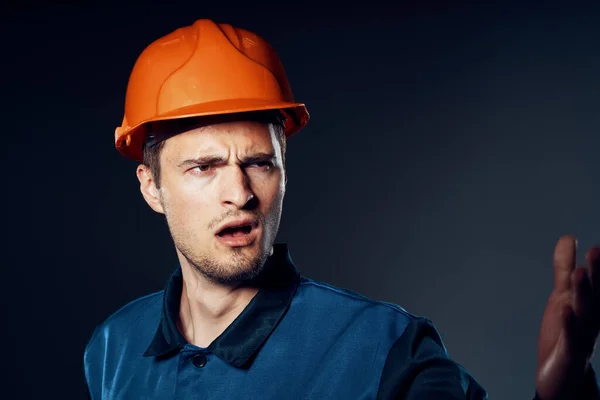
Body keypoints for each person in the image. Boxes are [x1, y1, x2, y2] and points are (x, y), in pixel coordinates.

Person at [83, 18, 600, 399]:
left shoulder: (386, 350)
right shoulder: (112, 349)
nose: (239, 193)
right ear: (151, 187)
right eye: (204, 167)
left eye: (260, 163)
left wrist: (564, 389)